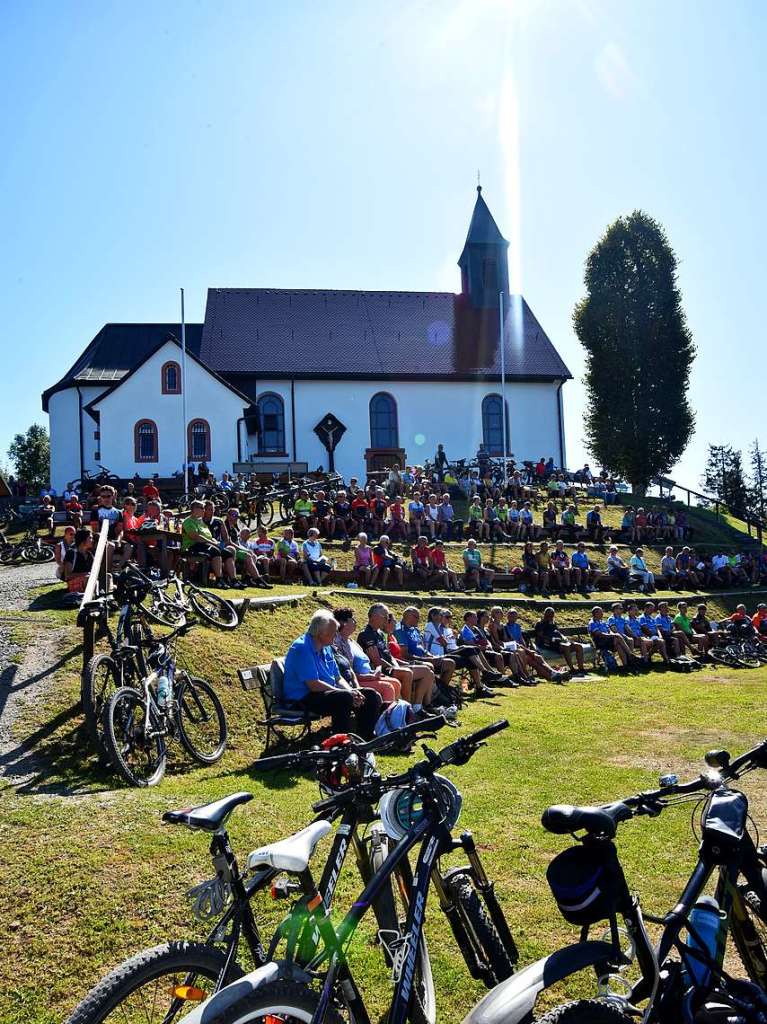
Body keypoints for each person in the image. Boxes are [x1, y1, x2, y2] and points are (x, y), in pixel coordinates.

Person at [282, 610, 382, 738]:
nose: (336, 635)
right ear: (321, 633)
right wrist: (347, 693)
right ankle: (341, 742)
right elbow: (313, 684)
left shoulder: (326, 647)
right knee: (343, 698)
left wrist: (353, 691)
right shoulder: (302, 648)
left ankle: (365, 738)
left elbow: (337, 677)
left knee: (370, 695)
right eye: (333, 632)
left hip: (324, 693)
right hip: (302, 698)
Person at [357, 603, 435, 706]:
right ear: (374, 617)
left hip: (391, 666)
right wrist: (395, 667)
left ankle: (420, 705)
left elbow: (389, 655)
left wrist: (404, 663)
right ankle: (407, 709)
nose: (386, 620)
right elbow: (377, 660)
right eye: (385, 617)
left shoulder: (380, 633)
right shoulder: (366, 634)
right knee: (407, 673)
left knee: (428, 672)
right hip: (382, 669)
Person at [332, 608, 402, 704]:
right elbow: (346, 672)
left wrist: (374, 673)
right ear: (343, 623)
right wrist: (370, 677)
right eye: (352, 619)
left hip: (368, 676)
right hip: (356, 680)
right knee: (388, 687)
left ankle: (397, 713)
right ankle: (385, 717)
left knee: (396, 683)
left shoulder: (351, 642)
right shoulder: (337, 643)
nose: (355, 622)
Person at [395, 606, 457, 693]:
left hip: (424, 657)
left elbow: (422, 648)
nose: (419, 620)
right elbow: (405, 655)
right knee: (430, 665)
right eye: (416, 617)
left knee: (450, 663)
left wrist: (430, 655)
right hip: (413, 661)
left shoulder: (415, 629)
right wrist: (427, 659)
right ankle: (434, 694)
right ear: (408, 616)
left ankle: (441, 691)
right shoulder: (400, 630)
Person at [181, 500, 240, 588]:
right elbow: (195, 537)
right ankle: (219, 580)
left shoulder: (200, 521)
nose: (204, 510)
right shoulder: (188, 521)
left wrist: (217, 543)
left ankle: (233, 580)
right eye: (202, 508)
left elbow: (209, 536)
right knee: (215, 551)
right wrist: (212, 543)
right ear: (195, 509)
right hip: (192, 546)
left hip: (205, 545)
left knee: (228, 553)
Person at [534, 606, 586, 675]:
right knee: (566, 647)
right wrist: (553, 639)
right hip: (548, 644)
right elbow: (541, 636)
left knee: (578, 646)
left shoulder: (553, 623)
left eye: (552, 615)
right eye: (549, 615)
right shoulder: (540, 623)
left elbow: (557, 632)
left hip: (559, 642)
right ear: (545, 614)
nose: (551, 617)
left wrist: (563, 638)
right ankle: (572, 669)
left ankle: (581, 669)